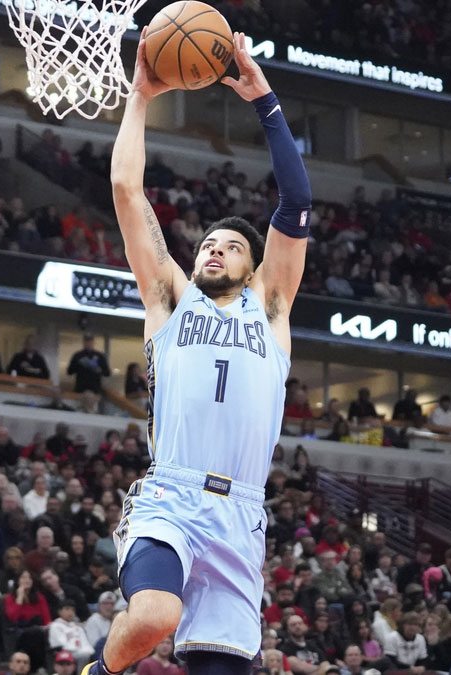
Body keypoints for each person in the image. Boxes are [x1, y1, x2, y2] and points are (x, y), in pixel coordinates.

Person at [88, 29, 309, 675]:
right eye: (207, 242)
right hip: (172, 496)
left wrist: (263, 96)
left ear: (254, 266)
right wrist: (139, 94)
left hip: (240, 513)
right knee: (155, 616)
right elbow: (129, 192)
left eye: (231, 245)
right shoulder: (169, 300)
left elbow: (297, 201)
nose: (213, 248)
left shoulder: (271, 311)